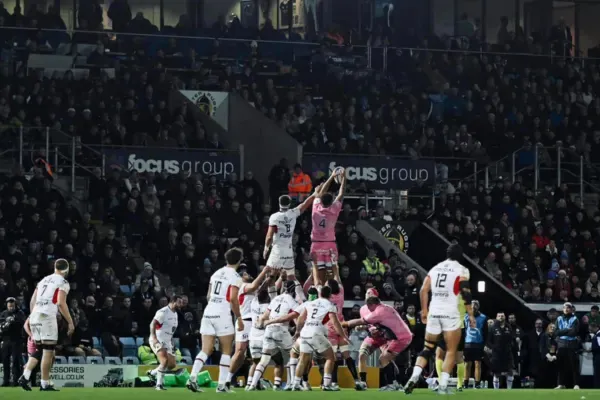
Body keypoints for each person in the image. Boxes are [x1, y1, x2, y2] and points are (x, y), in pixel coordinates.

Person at [404, 244, 475, 395]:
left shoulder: (436, 268)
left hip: (434, 312)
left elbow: (423, 290)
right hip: (450, 313)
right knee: (451, 350)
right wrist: (471, 314)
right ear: (460, 256)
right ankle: (443, 385)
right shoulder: (461, 270)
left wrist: (424, 311)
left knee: (428, 348)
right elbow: (466, 293)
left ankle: (414, 376)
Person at [187, 248, 245, 393]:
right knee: (226, 350)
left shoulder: (216, 273)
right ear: (239, 260)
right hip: (222, 313)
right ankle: (221, 385)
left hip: (209, 311)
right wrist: (239, 318)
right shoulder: (236, 276)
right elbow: (232, 298)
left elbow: (208, 296)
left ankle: (192, 378)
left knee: (206, 349)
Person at [19, 258, 74, 391]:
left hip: (35, 316)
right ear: (66, 270)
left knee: (39, 350)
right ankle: (44, 383)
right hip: (46, 316)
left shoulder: (43, 280)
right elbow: (61, 303)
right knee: (48, 350)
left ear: (55, 267)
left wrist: (33, 316)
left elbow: (32, 300)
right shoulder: (63, 282)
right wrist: (70, 322)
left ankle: (25, 376)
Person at [345, 290, 413, 391]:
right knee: (362, 354)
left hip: (384, 337)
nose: (368, 295)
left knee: (385, 359)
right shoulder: (363, 309)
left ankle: (395, 382)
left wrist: (345, 324)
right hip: (373, 337)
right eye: (367, 293)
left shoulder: (382, 309)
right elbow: (367, 323)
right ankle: (363, 382)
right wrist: (362, 327)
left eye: (370, 294)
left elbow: (385, 324)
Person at [291, 285, 347, 391]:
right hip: (316, 332)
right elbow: (335, 322)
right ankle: (326, 384)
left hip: (305, 333)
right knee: (331, 357)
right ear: (330, 295)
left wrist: (298, 331)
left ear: (319, 294)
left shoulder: (310, 303)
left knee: (302, 360)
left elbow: (300, 319)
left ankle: (296, 384)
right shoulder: (330, 305)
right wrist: (343, 335)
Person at [247, 280, 298, 390]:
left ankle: (252, 385)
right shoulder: (291, 300)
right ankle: (291, 383)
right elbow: (296, 315)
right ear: (293, 290)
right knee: (293, 354)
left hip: (269, 330)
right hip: (281, 329)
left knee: (264, 359)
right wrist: (298, 330)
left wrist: (260, 323)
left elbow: (265, 315)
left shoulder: (275, 299)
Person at [225, 266, 270, 389]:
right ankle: (227, 379)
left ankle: (256, 381)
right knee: (240, 351)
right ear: (241, 277)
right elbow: (255, 286)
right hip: (245, 321)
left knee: (259, 354)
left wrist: (271, 277)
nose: (248, 275)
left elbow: (261, 288)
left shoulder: (250, 288)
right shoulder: (242, 286)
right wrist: (264, 271)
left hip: (255, 324)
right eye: (246, 274)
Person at [264, 188, 316, 290]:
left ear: (279, 203)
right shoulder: (293, 213)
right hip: (288, 250)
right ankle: (300, 296)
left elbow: (269, 236)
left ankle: (271, 297)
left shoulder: (274, 217)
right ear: (289, 203)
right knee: (291, 276)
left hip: (277, 249)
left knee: (270, 273)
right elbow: (305, 204)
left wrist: (266, 248)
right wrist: (314, 194)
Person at [325, 264, 360, 389]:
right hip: (342, 325)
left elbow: (320, 282)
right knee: (347, 355)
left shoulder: (325, 298)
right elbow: (337, 277)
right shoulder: (341, 293)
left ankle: (333, 382)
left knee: (332, 357)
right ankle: (357, 381)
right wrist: (335, 266)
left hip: (330, 328)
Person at [310, 169, 345, 286]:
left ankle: (318, 296)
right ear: (331, 203)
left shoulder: (316, 208)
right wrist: (344, 178)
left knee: (318, 274)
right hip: (330, 244)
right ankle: (335, 297)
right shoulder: (334, 210)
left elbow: (320, 193)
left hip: (316, 244)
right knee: (333, 274)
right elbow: (341, 194)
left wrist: (331, 177)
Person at [147, 295, 184, 390]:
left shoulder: (175, 313)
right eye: (179, 302)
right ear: (173, 301)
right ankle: (159, 385)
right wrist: (154, 338)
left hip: (167, 341)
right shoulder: (163, 312)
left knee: (172, 365)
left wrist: (171, 342)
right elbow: (152, 324)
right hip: (158, 339)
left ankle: (152, 373)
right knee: (164, 361)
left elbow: (170, 330)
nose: (181, 304)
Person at [432, 294, 467, 392]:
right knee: (458, 358)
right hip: (459, 328)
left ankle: (442, 382)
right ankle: (460, 384)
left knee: (439, 355)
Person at [245, 286, 272, 390]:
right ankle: (255, 383)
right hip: (263, 338)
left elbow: (258, 292)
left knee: (254, 363)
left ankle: (249, 383)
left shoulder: (253, 303)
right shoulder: (268, 307)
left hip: (252, 337)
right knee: (262, 364)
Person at [0, 297, 26, 386]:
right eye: (9, 306)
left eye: (12, 306)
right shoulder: (3, 314)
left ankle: (16, 381)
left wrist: (13, 321)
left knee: (16, 361)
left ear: (15, 305)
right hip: (6, 340)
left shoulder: (20, 313)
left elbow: (22, 323)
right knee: (5, 361)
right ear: (6, 305)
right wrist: (4, 325)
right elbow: (1, 325)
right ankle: (6, 381)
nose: (11, 307)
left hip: (16, 340)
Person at [555, 302, 580, 389]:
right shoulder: (558, 318)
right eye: (565, 307)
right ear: (562, 309)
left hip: (571, 344)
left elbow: (573, 332)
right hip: (561, 344)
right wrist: (567, 329)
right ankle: (561, 384)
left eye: (568, 307)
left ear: (571, 309)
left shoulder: (575, 319)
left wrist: (562, 331)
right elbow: (556, 332)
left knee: (574, 365)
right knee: (561, 365)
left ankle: (576, 384)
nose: (566, 309)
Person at [486, 312, 515, 389]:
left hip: (507, 353)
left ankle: (509, 390)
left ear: (505, 317)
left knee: (510, 371)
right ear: (496, 317)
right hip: (496, 354)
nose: (501, 317)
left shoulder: (508, 327)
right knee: (496, 373)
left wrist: (510, 346)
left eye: (502, 316)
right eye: (499, 316)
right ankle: (496, 391)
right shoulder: (492, 328)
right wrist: (493, 348)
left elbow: (512, 338)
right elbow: (489, 341)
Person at [463, 300, 487, 388]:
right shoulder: (465, 316)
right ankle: (465, 383)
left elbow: (485, 332)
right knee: (467, 364)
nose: (474, 307)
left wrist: (484, 344)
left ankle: (477, 384)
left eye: (475, 306)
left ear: (478, 307)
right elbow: (463, 331)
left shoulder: (483, 317)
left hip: (478, 343)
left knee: (478, 363)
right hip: (467, 343)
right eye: (472, 306)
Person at [590, 322, 600, 388]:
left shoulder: (598, 335)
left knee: (597, 373)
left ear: (595, 328)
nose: (590, 330)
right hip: (597, 356)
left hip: (598, 357)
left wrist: (592, 349)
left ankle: (597, 387)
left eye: (591, 329)